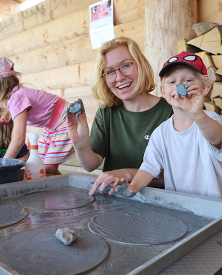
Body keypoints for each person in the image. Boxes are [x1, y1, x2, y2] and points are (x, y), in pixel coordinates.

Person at [109, 51, 222, 200]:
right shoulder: (161, 132)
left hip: (216, 209)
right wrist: (133, 187)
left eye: (188, 80)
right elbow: (149, 167)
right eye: (172, 82)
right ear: (163, 91)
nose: (179, 85)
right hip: (180, 208)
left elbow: (216, 138)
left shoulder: (209, 120)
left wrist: (197, 113)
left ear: (205, 88)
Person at [66, 37, 173, 195]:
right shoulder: (106, 112)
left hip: (162, 204)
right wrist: (80, 144)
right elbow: (90, 165)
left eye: (126, 65)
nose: (119, 77)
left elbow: (176, 175)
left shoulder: (171, 111)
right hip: (115, 200)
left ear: (141, 65)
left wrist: (127, 173)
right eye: (110, 72)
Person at [0, 56, 75, 175]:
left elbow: (18, 139)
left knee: (47, 170)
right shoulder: (16, 94)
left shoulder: (17, 98)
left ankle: (62, 192)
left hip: (66, 121)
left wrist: (2, 165)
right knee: (40, 167)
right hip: (54, 127)